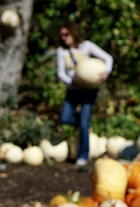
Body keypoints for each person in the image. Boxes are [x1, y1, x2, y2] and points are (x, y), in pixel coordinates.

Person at [56, 21, 113, 168]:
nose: (64, 37)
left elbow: (108, 58)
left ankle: (82, 157)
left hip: (89, 91)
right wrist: (71, 82)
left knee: (84, 122)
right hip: (73, 90)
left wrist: (106, 72)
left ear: (73, 32)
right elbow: (60, 72)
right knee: (65, 118)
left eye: (66, 34)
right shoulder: (61, 52)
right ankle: (83, 127)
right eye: (61, 35)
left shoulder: (86, 46)